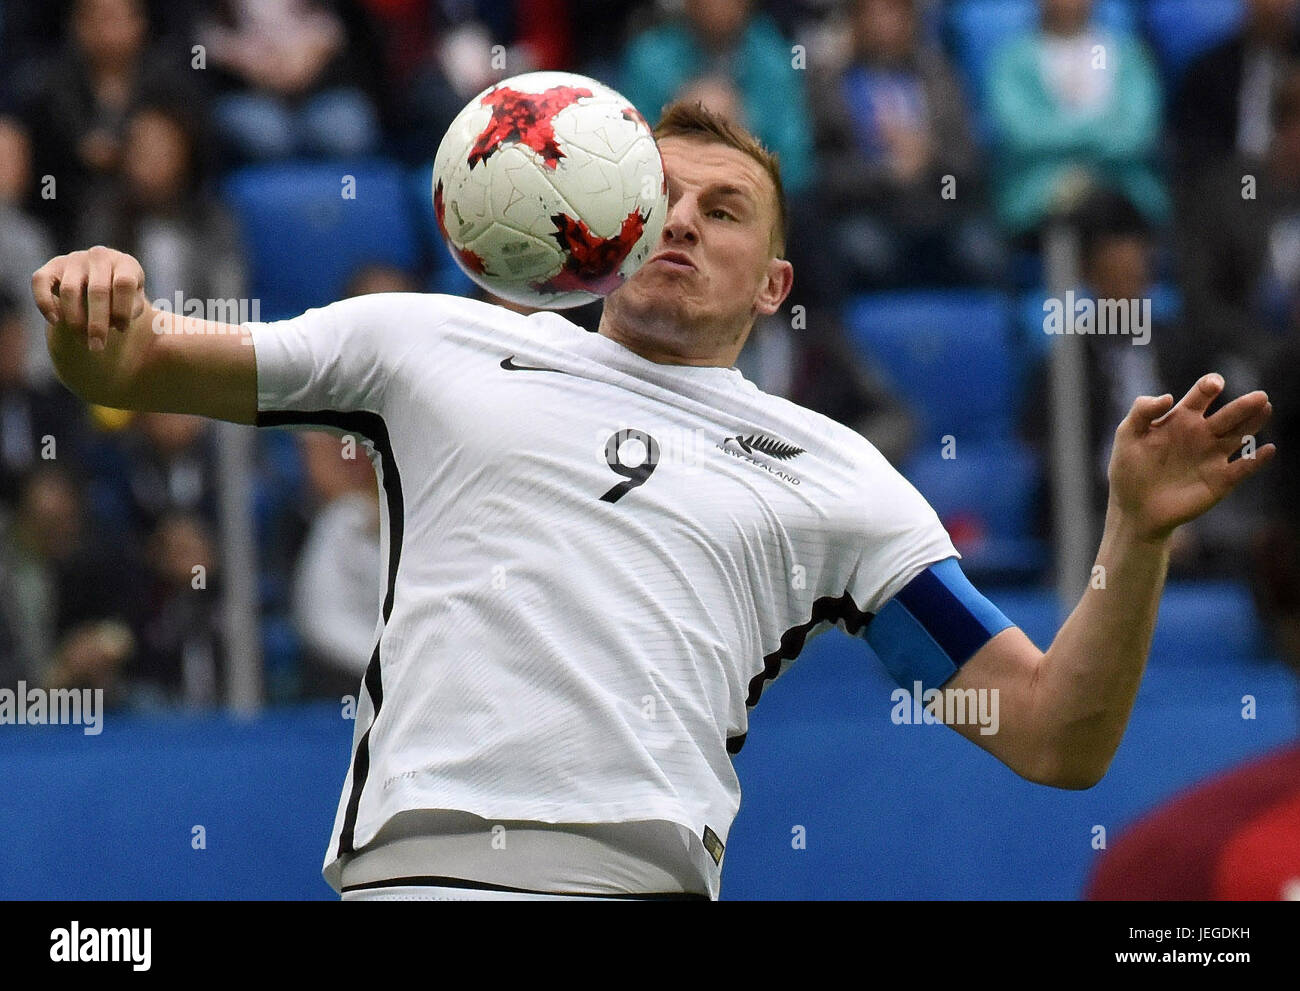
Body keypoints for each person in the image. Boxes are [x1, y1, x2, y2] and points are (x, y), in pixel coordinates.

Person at [32, 102, 1276, 901]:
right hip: (429, 874)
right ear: (601, 220)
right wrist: (97, 310)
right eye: (656, 193)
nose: (677, 218)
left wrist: (1134, 536)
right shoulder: (425, 343)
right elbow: (134, 364)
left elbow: (1052, 737)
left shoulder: (836, 473)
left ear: (774, 281)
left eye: (720, 208)